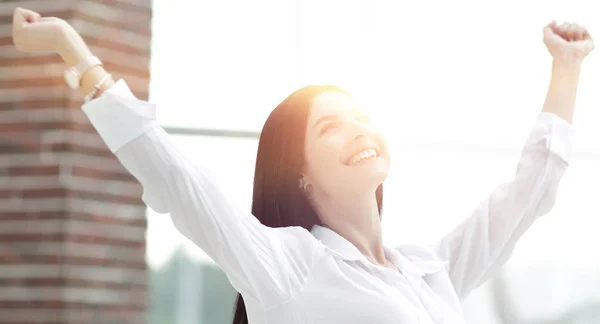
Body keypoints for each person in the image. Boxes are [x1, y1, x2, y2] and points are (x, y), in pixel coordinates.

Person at [12, 7, 594, 324]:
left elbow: (528, 193)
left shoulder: (429, 269)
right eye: (329, 127)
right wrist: (76, 55)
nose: (358, 130)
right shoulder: (289, 267)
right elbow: (178, 178)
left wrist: (565, 70)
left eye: (359, 115)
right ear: (301, 173)